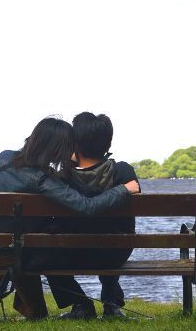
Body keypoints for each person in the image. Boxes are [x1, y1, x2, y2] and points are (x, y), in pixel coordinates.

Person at [0, 117, 139, 320]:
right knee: (43, 244)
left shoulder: (4, 157)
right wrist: (123, 189)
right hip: (10, 255)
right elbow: (86, 206)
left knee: (43, 240)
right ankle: (89, 305)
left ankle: (79, 305)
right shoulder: (44, 180)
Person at [46, 112, 139, 319]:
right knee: (114, 234)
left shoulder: (61, 179)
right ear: (108, 142)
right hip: (115, 254)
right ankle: (111, 303)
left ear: (74, 143)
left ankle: (80, 304)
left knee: (44, 253)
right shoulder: (124, 173)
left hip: (72, 255)